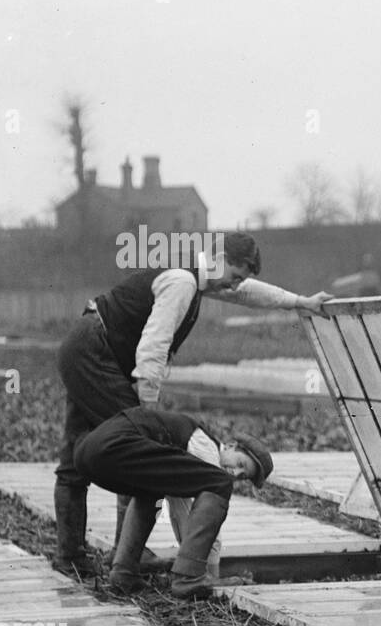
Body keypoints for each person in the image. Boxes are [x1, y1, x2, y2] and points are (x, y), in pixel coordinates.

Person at [53, 232, 329, 576]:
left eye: (240, 279)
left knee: (80, 456)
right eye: (234, 275)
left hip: (84, 345)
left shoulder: (197, 277)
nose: (233, 286)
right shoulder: (183, 282)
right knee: (137, 450)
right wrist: (147, 409)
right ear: (218, 257)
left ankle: (72, 556)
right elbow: (155, 343)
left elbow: (248, 294)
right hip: (97, 350)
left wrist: (300, 302)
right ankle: (125, 559)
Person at [73, 408, 273, 598]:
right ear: (230, 446)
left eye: (242, 475)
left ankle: (123, 572)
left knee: (152, 488)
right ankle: (189, 578)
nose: (235, 473)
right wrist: (209, 571)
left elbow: (178, 500)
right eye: (240, 463)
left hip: (89, 452)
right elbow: (183, 512)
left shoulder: (186, 458)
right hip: (114, 444)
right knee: (221, 483)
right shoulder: (205, 447)